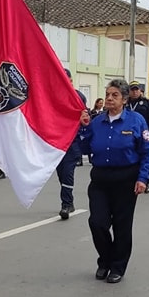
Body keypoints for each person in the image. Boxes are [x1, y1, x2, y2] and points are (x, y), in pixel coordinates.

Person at [76, 79, 149, 284]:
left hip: (126, 180)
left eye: (115, 95)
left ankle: (117, 266)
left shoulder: (136, 121)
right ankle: (105, 260)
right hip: (101, 179)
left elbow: (147, 151)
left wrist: (143, 178)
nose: (109, 98)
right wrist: (83, 128)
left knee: (122, 225)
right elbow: (84, 150)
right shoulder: (97, 121)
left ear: (125, 99)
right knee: (97, 222)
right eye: (108, 94)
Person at [56, 69, 89, 219]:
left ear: (70, 80)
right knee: (61, 174)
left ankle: (66, 205)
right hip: (57, 142)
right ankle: (68, 200)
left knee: (68, 173)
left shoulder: (78, 96)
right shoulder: (54, 95)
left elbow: (84, 115)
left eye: (65, 79)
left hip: (72, 142)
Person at [126, 81, 149, 193]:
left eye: (136, 89)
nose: (134, 92)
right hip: (128, 134)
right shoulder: (125, 103)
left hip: (144, 134)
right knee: (132, 158)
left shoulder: (146, 103)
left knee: (146, 157)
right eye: (132, 90)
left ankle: (146, 181)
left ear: (140, 91)